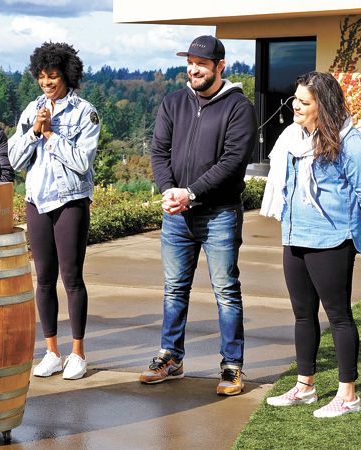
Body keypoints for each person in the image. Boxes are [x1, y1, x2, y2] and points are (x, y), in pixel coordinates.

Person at [141, 35, 257, 395]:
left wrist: (190, 193)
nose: (194, 69)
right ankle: (171, 357)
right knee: (174, 289)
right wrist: (169, 192)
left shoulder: (239, 107)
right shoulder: (173, 102)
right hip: (176, 214)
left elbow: (233, 161)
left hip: (219, 213)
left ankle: (232, 366)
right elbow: (159, 152)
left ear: (219, 67)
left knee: (225, 291)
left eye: (202, 64)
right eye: (190, 62)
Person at [260, 71, 361, 417]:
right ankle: (305, 386)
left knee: (339, 317)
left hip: (331, 240)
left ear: (323, 107)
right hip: (294, 235)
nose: (295, 106)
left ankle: (348, 396)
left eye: (304, 102)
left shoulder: (349, 142)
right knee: (302, 315)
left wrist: (354, 222)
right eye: (295, 99)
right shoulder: (293, 138)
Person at [8, 42, 100, 380]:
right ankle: (51, 351)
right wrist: (34, 131)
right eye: (42, 77)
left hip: (70, 202)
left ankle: (78, 352)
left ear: (67, 75)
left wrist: (50, 135)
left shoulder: (84, 112)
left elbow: (80, 162)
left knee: (71, 278)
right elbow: (15, 159)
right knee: (43, 279)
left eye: (54, 77)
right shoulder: (31, 110)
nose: (47, 83)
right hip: (37, 202)